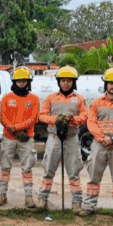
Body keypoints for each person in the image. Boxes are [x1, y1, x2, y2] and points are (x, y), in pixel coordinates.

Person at [79, 67, 113, 220]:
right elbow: (91, 122)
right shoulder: (96, 103)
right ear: (106, 85)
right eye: (111, 83)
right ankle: (89, 207)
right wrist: (102, 138)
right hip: (99, 143)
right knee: (93, 177)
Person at [37, 66, 87, 213]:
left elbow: (85, 116)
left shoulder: (79, 99)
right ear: (59, 82)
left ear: (73, 82)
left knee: (74, 171)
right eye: (63, 80)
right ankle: (42, 199)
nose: (65, 83)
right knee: (48, 169)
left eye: (68, 81)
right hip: (54, 138)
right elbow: (42, 115)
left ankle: (76, 203)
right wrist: (56, 119)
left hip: (71, 138)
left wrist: (72, 120)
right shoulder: (51, 98)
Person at [0, 67, 40, 209]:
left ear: (28, 81)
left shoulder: (34, 99)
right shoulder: (6, 98)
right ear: (14, 81)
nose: (21, 83)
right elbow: (2, 117)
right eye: (19, 80)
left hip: (26, 137)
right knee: (5, 166)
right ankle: (2, 194)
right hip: (8, 137)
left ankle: (28, 197)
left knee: (27, 167)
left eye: (24, 80)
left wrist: (19, 128)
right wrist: (11, 128)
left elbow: (34, 118)